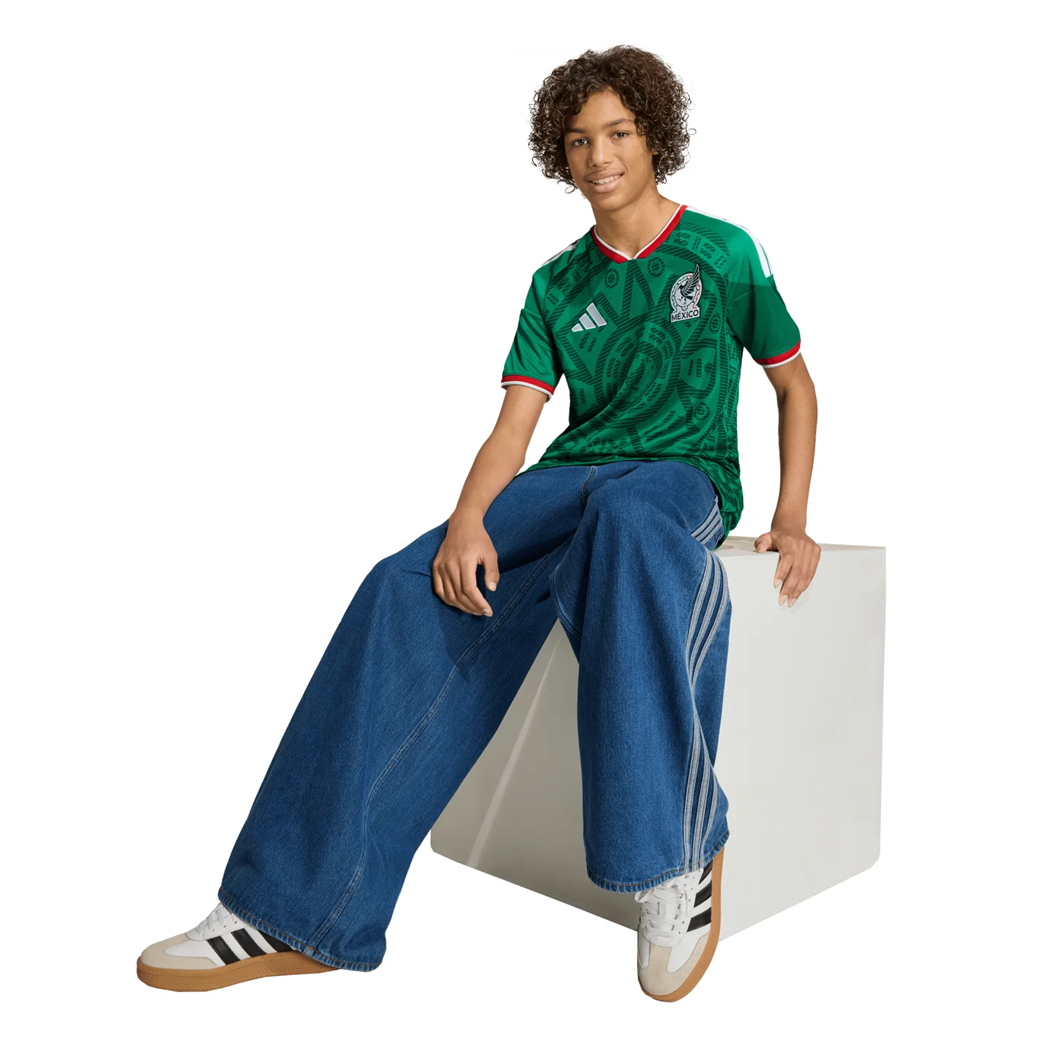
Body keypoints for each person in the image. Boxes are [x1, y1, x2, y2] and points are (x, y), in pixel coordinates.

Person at [137, 45, 820, 1003]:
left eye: (619, 133)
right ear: (558, 153)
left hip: (681, 473)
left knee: (630, 523)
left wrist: (792, 516)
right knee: (402, 582)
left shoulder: (725, 251)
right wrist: (467, 521)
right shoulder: (555, 283)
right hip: (571, 473)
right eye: (578, 141)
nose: (599, 156)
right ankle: (296, 908)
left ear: (654, 137)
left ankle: (676, 857)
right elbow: (514, 428)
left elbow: (794, 386)